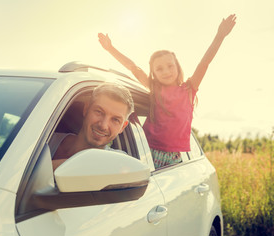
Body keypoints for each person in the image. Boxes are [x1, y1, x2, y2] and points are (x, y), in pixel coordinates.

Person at [98, 14, 236, 168]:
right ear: (154, 73)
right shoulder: (155, 89)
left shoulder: (189, 90)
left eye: (170, 66)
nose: (166, 71)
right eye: (159, 68)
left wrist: (220, 36)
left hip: (174, 158)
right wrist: (110, 48)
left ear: (177, 67)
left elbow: (205, 62)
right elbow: (133, 67)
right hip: (147, 151)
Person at [0, 82, 134, 172]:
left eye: (115, 120)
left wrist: (6, 167)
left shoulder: (116, 161)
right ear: (86, 109)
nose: (104, 125)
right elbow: (14, 158)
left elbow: (90, 164)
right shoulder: (43, 139)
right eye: (99, 112)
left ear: (122, 127)